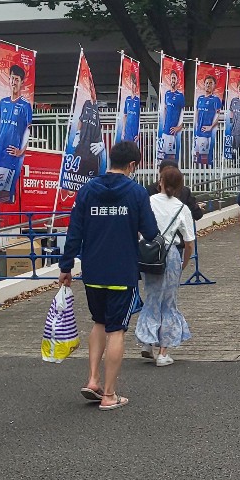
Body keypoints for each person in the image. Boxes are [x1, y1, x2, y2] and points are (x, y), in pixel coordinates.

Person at [59, 139, 159, 410]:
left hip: (92, 271)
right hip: (122, 271)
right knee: (117, 330)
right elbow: (151, 232)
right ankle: (110, 394)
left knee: (99, 323)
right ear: (132, 165)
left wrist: (66, 267)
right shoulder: (137, 192)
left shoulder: (87, 190)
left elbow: (74, 231)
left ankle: (93, 380)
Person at [135, 163, 196, 366]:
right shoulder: (182, 208)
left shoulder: (148, 201)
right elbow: (189, 242)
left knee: (152, 297)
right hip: (170, 256)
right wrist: (184, 263)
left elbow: (137, 229)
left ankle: (147, 341)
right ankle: (163, 352)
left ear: (160, 181)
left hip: (149, 254)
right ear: (179, 186)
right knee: (168, 303)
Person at [0, 61, 33, 196]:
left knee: (4, 193)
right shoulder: (3, 102)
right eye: (12, 79)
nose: (14, 82)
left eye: (17, 79)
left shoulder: (25, 105)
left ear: (22, 82)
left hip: (11, 154)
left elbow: (29, 130)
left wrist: (21, 151)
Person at [150, 158, 203, 223]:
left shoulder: (150, 191)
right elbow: (197, 215)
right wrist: (197, 207)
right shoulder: (185, 192)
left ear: (160, 172)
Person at [193, 74, 223, 165]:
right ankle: (197, 172)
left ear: (214, 86)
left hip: (206, 133)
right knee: (195, 156)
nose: (208, 85)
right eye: (207, 83)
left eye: (210, 83)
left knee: (204, 157)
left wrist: (210, 127)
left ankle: (206, 171)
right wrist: (196, 124)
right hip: (197, 132)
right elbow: (197, 112)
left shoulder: (215, 99)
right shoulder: (200, 98)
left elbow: (218, 115)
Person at [158, 69, 185, 164]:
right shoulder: (167, 94)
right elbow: (165, 109)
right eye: (171, 78)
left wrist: (179, 127)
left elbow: (184, 113)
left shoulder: (180, 96)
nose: (173, 80)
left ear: (177, 80)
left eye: (174, 78)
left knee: (171, 158)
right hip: (165, 131)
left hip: (173, 133)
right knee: (161, 157)